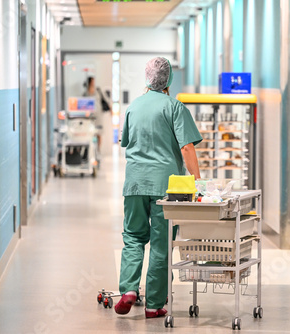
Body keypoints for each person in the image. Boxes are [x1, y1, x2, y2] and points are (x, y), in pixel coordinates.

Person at [115, 57, 202, 318]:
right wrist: (198, 182)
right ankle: (154, 304)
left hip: (135, 184)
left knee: (133, 237)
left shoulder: (134, 107)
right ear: (169, 80)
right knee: (161, 243)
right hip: (167, 188)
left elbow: (127, 141)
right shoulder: (175, 108)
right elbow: (186, 147)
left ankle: (129, 290)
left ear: (147, 77)